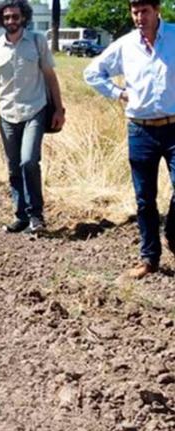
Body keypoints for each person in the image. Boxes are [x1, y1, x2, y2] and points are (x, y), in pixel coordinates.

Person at [84, 0, 175, 278]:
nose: (139, 17)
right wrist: (119, 93)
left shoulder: (173, 36)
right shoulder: (125, 46)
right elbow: (92, 73)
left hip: (174, 127)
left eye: (144, 10)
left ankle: (172, 233)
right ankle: (149, 259)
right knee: (145, 199)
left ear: (157, 9)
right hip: (140, 130)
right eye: (135, 12)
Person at [0, 0, 65, 234]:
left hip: (35, 110)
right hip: (7, 114)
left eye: (15, 17)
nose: (11, 21)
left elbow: (50, 76)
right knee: (14, 167)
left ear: (23, 17)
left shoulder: (37, 41)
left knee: (28, 161)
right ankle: (21, 217)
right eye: (6, 18)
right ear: (1, 20)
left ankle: (37, 216)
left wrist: (59, 109)